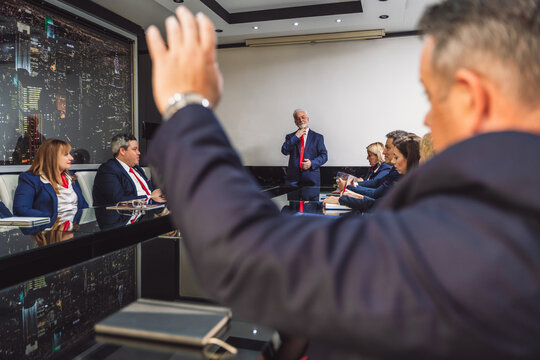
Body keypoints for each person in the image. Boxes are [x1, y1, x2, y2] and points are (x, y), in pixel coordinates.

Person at [144, 1, 540, 358]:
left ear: (474, 98)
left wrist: (186, 107)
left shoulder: (486, 227)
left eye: (433, 97)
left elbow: (250, 256)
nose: (427, 121)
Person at [13, 139, 88, 225]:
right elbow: (21, 210)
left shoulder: (71, 176)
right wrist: (52, 218)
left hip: (74, 227)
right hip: (48, 229)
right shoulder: (31, 179)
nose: (71, 158)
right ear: (52, 157)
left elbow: (84, 206)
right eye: (66, 154)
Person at [92, 134, 165, 206]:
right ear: (122, 151)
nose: (139, 153)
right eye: (134, 149)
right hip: (124, 215)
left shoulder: (137, 169)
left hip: (148, 210)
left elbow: (151, 191)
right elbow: (117, 200)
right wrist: (149, 197)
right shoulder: (108, 169)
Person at [281, 109, 328, 188]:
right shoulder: (290, 137)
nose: (301, 120)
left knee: (312, 200)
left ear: (307, 119)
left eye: (303, 117)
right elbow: (284, 151)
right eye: (298, 119)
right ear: (295, 122)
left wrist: (311, 163)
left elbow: (324, 156)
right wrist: (296, 137)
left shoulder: (318, 137)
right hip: (293, 180)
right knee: (293, 200)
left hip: (311, 178)